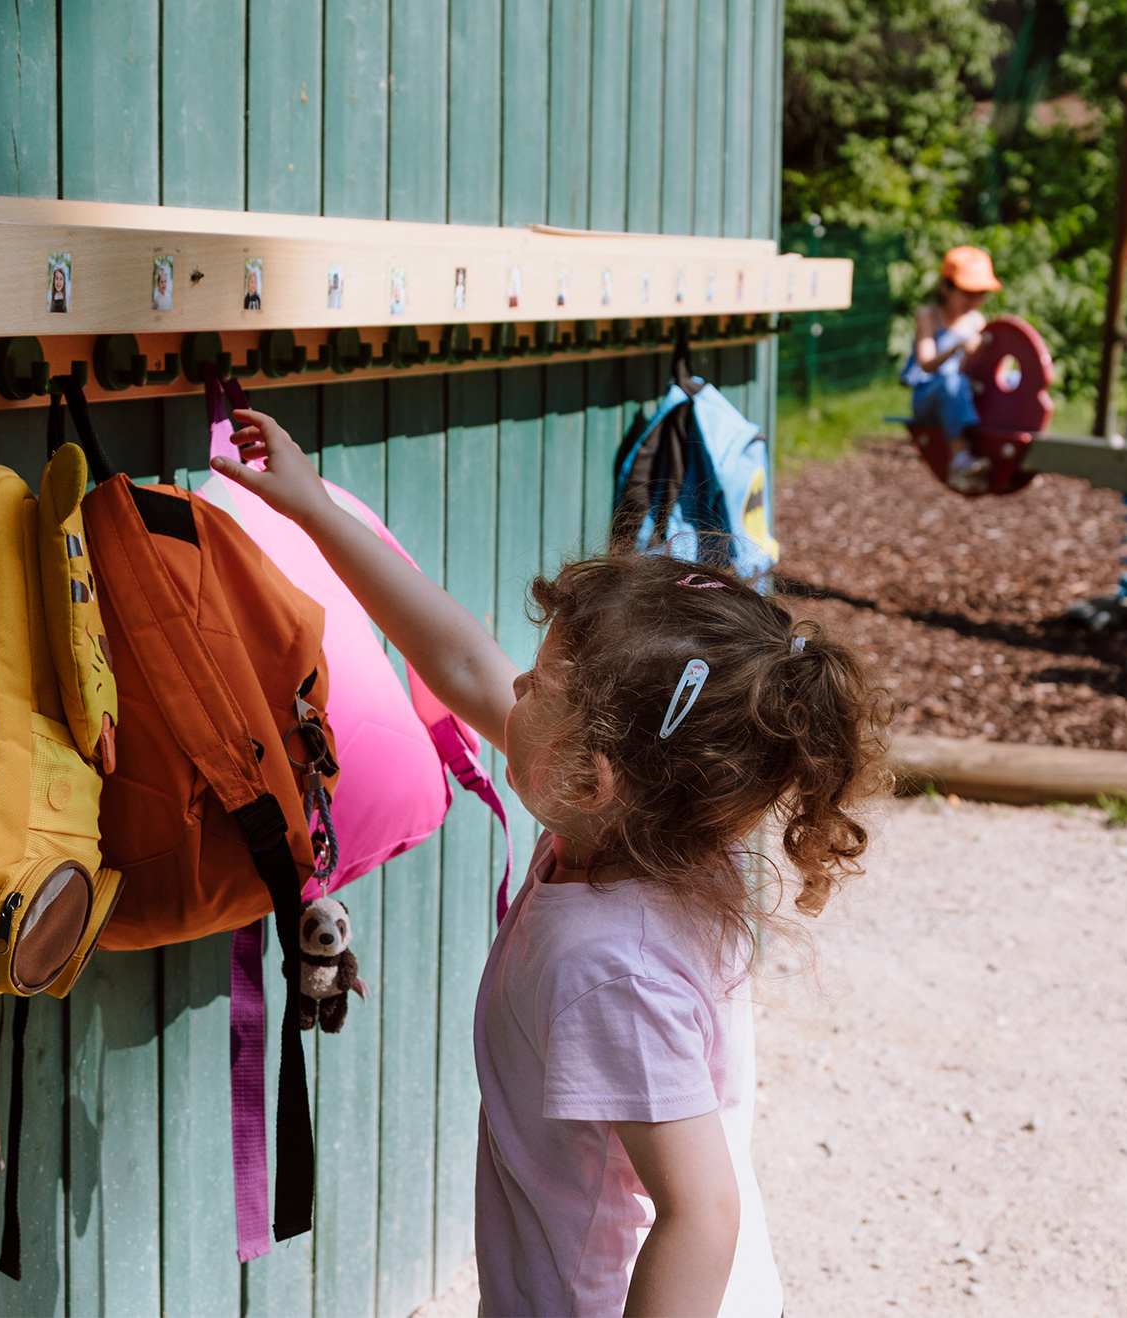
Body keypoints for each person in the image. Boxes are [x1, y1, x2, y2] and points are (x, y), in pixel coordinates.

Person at [207, 409, 887, 1318]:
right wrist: (312, 512)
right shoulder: (649, 831)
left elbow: (703, 1214)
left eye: (542, 682)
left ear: (592, 776)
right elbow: (456, 659)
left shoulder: (612, 966)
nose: (515, 683)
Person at [904, 246, 1002, 492]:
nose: (973, 300)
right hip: (928, 394)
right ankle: (958, 458)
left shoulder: (976, 321)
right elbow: (926, 363)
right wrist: (956, 347)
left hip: (959, 391)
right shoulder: (929, 315)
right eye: (967, 292)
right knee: (951, 381)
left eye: (980, 293)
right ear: (946, 287)